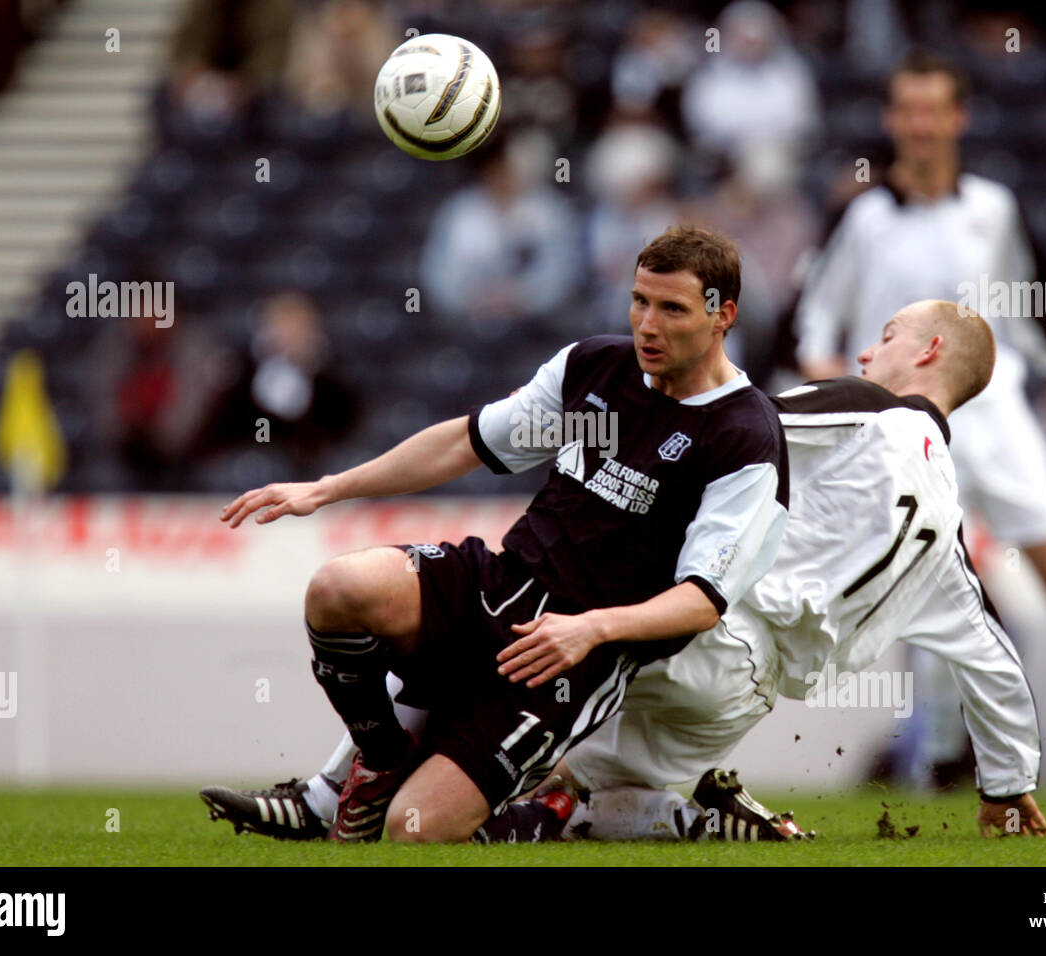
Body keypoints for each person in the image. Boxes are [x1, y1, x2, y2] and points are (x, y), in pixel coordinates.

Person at [201, 299, 1046, 843]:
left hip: (687, 625)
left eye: (889, 335)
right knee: (579, 790)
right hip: (747, 695)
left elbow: (735, 419)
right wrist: (1006, 784)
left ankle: (323, 798)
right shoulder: (948, 529)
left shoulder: (866, 410)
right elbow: (992, 661)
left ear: (931, 349)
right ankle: (699, 823)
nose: (868, 352)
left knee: (493, 653)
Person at [204, 226, 789, 843]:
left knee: (415, 831)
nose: (648, 324)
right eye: (640, 300)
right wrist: (326, 488)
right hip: (502, 583)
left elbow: (701, 600)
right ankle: (378, 761)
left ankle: (566, 814)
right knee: (337, 588)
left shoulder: (745, 435)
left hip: (575, 653)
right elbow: (465, 441)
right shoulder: (594, 365)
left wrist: (592, 628)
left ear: (723, 315)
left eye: (672, 309)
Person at [791, 50, 1046, 795]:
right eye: (905, 110)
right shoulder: (863, 216)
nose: (918, 124)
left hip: (998, 414)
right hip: (906, 425)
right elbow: (814, 315)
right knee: (933, 589)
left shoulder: (994, 208)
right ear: (891, 120)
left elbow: (1032, 298)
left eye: (932, 109)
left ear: (958, 118)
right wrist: (826, 373)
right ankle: (943, 758)